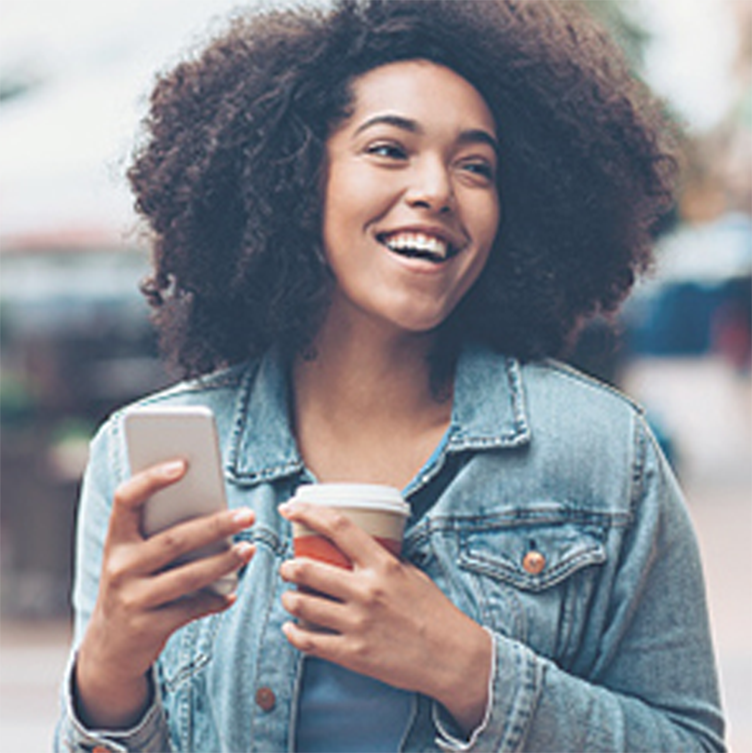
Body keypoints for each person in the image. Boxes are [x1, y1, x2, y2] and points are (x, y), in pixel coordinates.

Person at [56, 0, 726, 750]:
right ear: (292, 175)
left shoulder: (602, 453)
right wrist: (109, 674)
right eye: (388, 150)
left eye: (477, 166)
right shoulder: (148, 460)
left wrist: (468, 668)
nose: (438, 189)